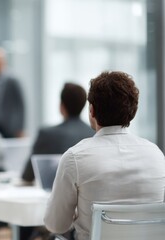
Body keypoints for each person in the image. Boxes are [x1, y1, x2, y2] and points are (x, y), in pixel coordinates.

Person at [44, 71, 165, 240]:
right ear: (133, 111)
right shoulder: (157, 156)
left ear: (91, 111)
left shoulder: (75, 158)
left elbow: (56, 225)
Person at [22, 83, 94, 182]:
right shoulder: (93, 133)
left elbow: (28, 175)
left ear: (61, 106)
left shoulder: (47, 134)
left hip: (56, 192)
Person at [0, 47, 25, 138]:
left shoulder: (12, 79)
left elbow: (21, 105)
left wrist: (20, 128)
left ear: (1, 61)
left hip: (10, 127)